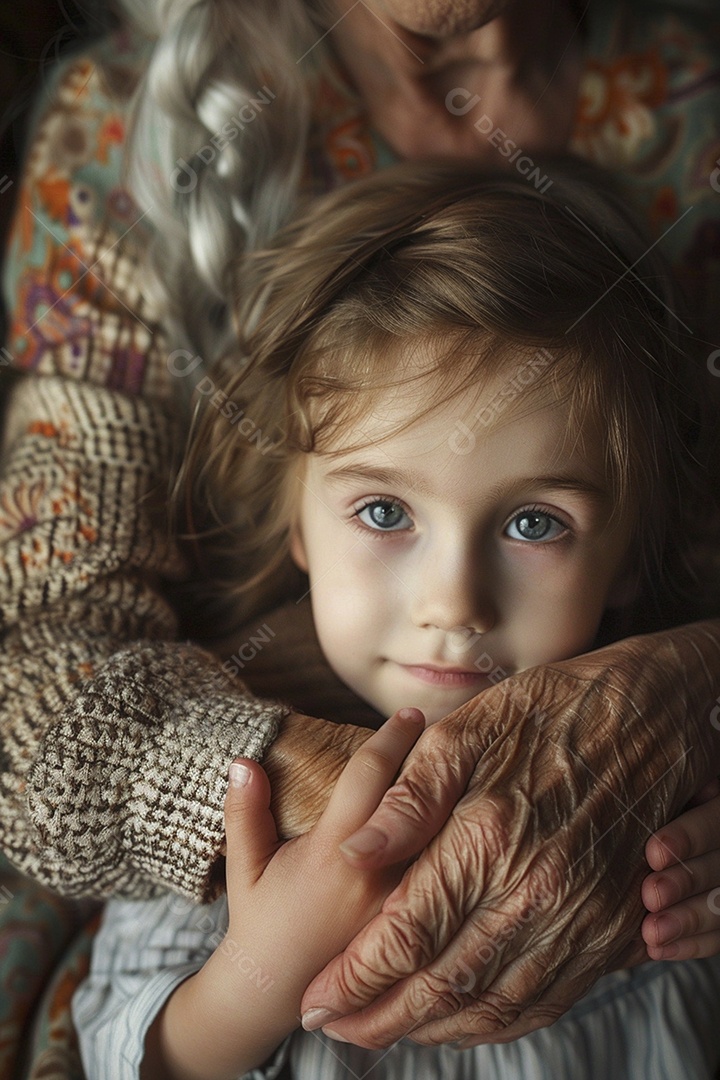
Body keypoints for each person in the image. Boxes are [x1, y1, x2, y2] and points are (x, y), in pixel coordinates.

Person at [2, 0, 720, 1054]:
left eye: (532, 522)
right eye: (385, 511)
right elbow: (41, 677)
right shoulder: (137, 131)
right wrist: (359, 839)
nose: (453, 603)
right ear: (295, 524)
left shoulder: (668, 876)